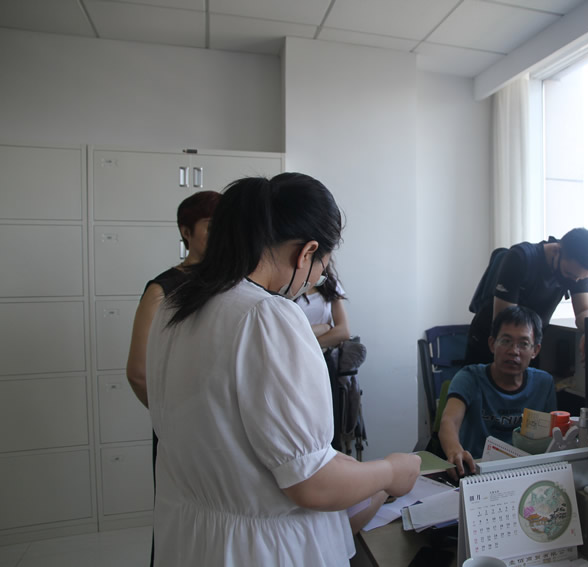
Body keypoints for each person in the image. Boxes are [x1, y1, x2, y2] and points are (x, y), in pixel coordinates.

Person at [146, 173, 420, 566]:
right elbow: (312, 483)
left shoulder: (176, 304)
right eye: (321, 268)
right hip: (261, 551)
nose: (315, 281)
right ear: (307, 252)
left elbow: (248, 440)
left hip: (191, 538)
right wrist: (391, 471)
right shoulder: (266, 316)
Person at [126, 190, 221, 407]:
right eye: (211, 227)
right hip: (184, 417)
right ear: (186, 232)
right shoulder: (162, 291)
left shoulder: (234, 283)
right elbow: (138, 373)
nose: (221, 235)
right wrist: (171, 416)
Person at [440, 306, 556, 477]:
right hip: (475, 471)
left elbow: (551, 437)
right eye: (506, 341)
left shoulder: (544, 384)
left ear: (535, 351)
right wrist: (455, 451)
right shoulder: (469, 377)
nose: (513, 351)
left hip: (524, 473)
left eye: (523, 344)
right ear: (492, 344)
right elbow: (449, 420)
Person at [464, 228, 588, 365]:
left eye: (581, 279)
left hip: (527, 345)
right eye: (570, 274)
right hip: (493, 342)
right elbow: (504, 320)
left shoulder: (577, 271)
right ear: (556, 250)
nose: (575, 281)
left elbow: (584, 310)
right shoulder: (520, 258)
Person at [295, 259, 350, 350]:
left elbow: (344, 332)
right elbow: (289, 332)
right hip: (294, 351)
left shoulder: (330, 284)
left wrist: (309, 346)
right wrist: (324, 328)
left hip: (319, 352)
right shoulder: (289, 287)